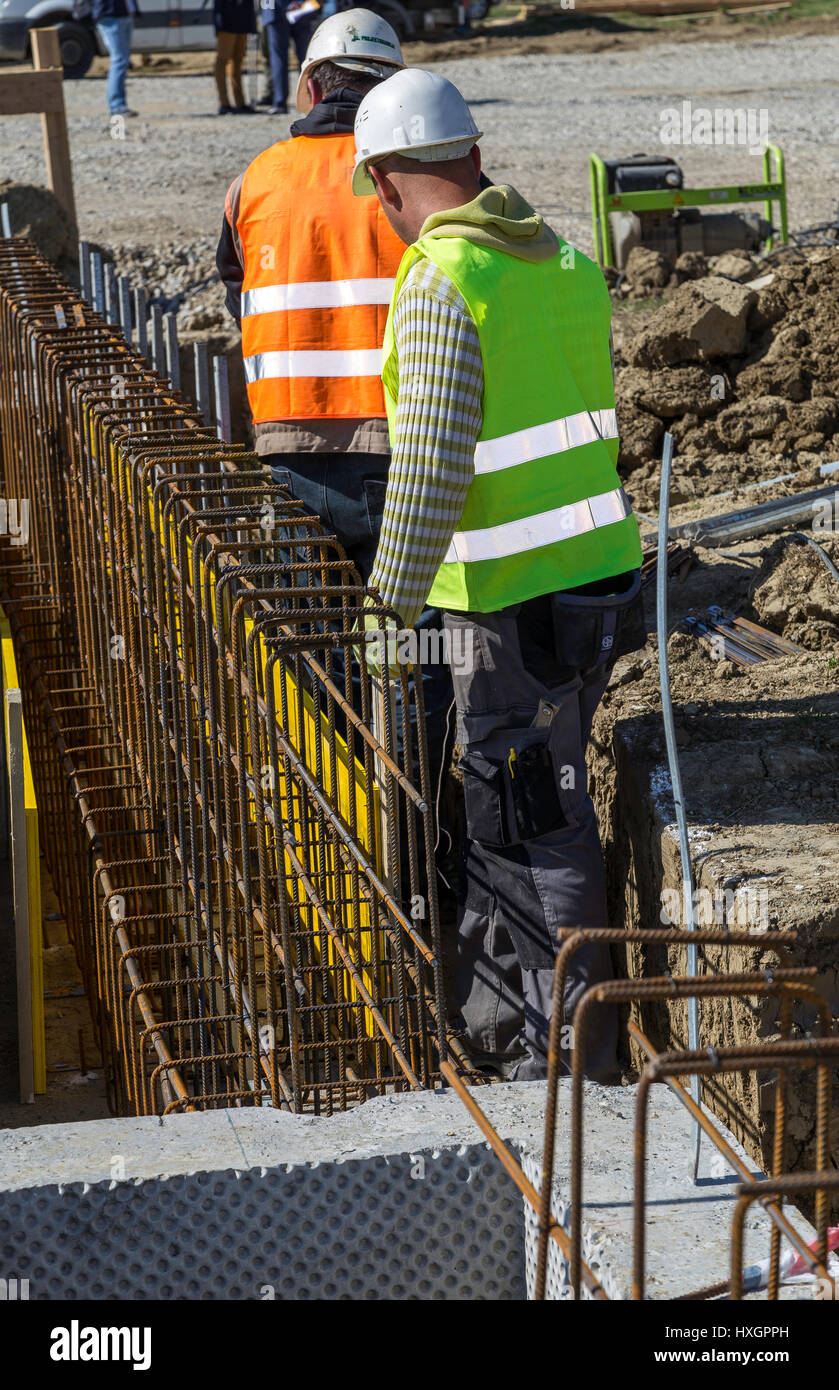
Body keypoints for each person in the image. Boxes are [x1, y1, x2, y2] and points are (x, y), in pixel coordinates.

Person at [351, 69, 646, 1082]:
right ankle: (501, 1024)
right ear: (472, 156)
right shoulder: (557, 257)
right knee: (518, 813)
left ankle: (562, 1076)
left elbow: (430, 466)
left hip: (510, 610)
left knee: (534, 826)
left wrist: (385, 609)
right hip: (594, 583)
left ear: (385, 181)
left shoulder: (444, 278)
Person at [92, 0, 136, 118]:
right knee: (119, 60)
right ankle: (117, 105)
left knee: (122, 60)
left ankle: (119, 104)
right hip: (110, 16)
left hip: (124, 14)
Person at [213, 0, 257, 115]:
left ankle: (240, 102)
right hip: (226, 19)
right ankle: (224, 103)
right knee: (222, 60)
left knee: (237, 61)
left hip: (243, 18)